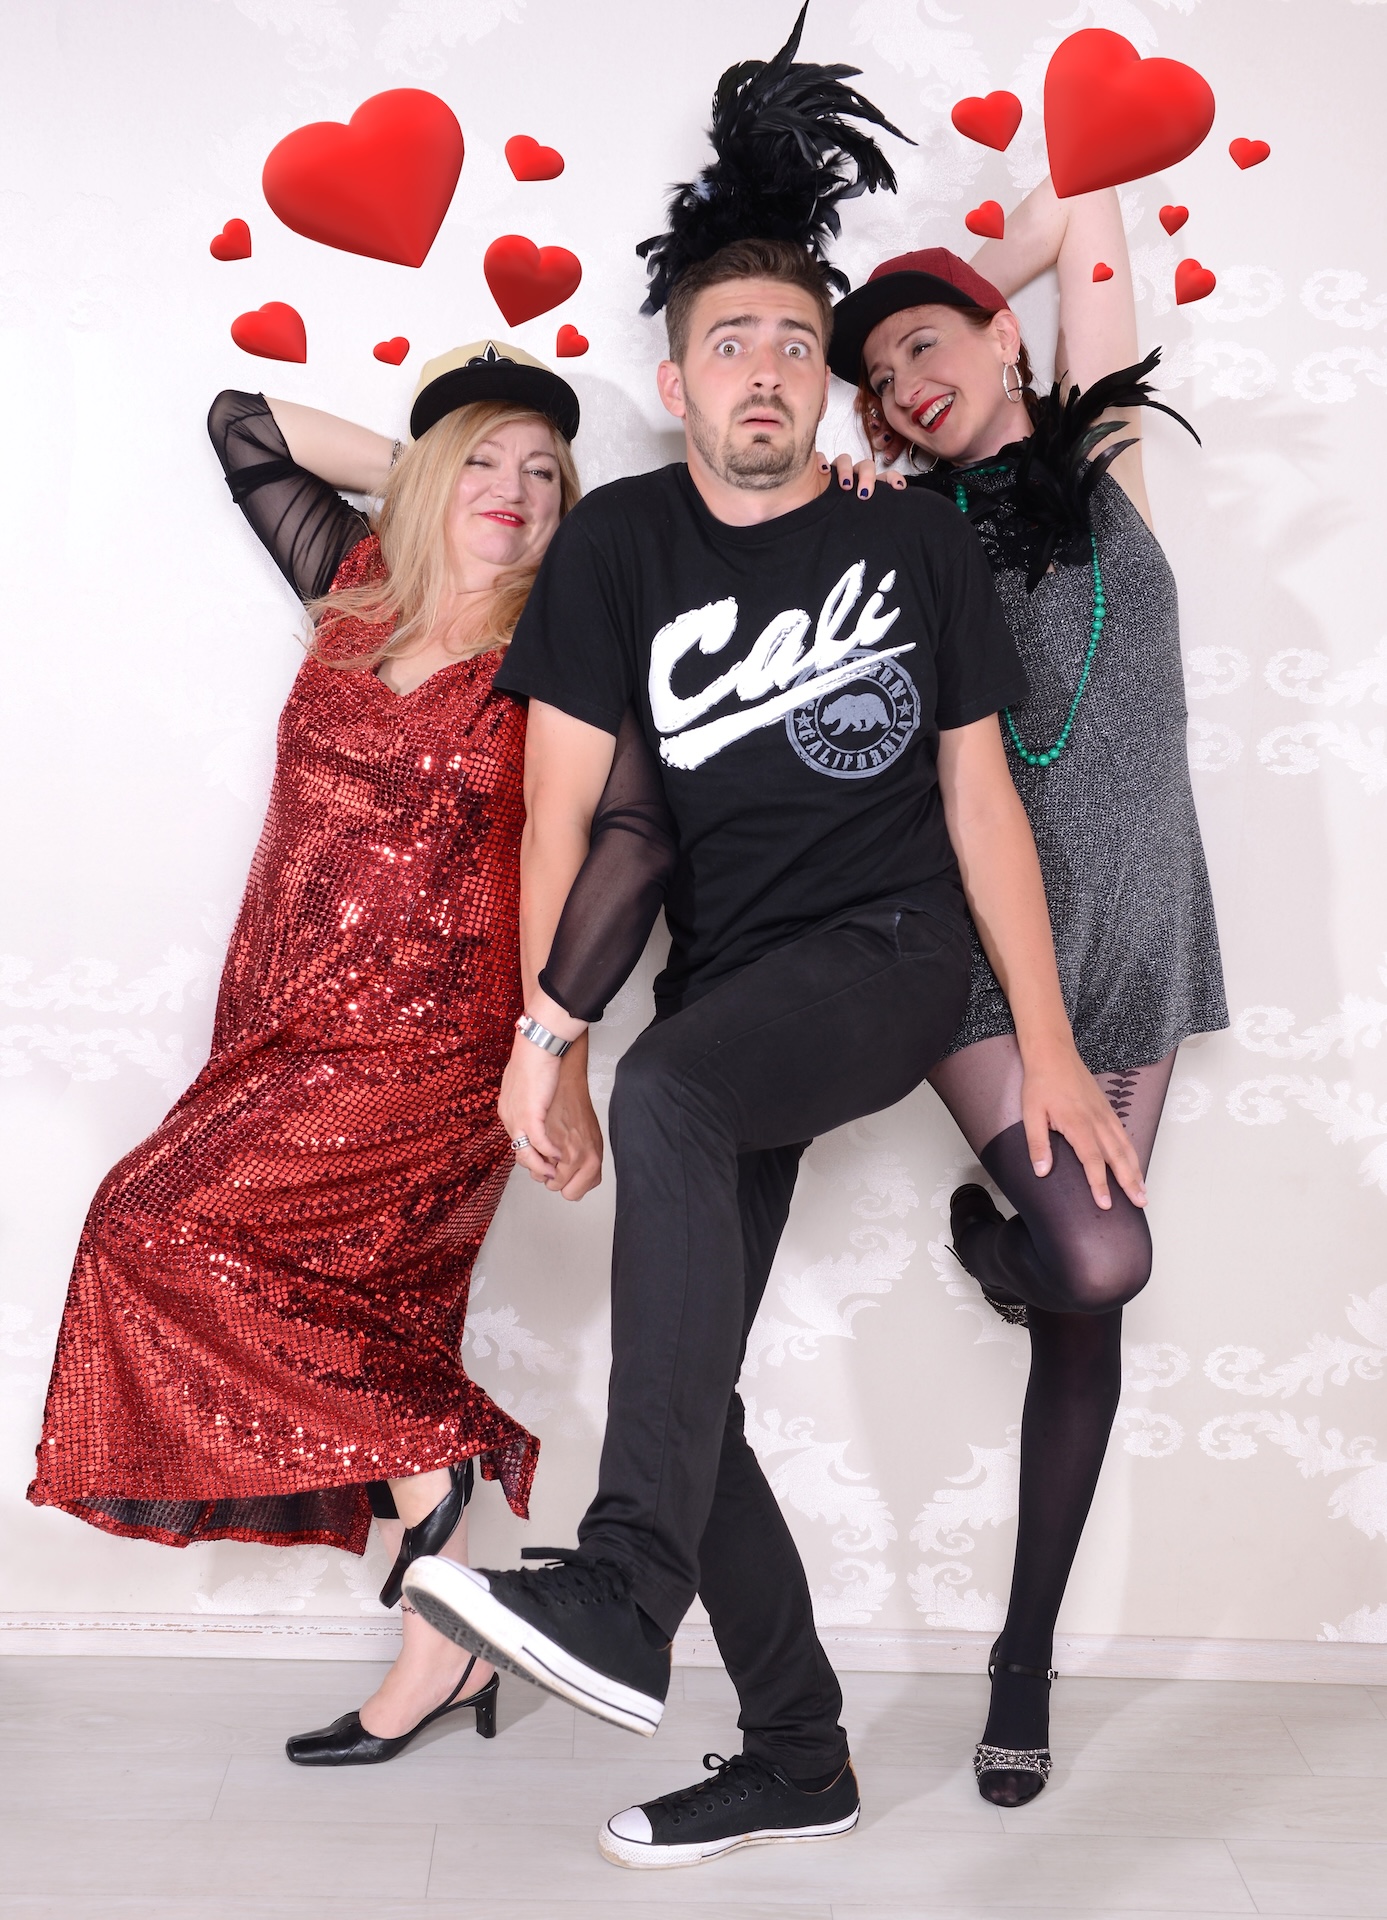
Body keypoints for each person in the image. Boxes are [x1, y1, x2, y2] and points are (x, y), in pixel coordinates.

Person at [401, 12, 1142, 1869]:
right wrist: (546, 1040)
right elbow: (563, 814)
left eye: (798, 347)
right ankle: (801, 1754)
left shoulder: (914, 547)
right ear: (675, 377)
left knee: (677, 1100)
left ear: (828, 392)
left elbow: (984, 806)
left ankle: (622, 1589)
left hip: (888, 955)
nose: (766, 369)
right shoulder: (618, 549)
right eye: (732, 341)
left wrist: (1049, 1044)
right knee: (686, 1375)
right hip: (724, 989)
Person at [27, 339, 602, 1766]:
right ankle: (445, 1650)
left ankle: (442, 1471)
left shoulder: (567, 641)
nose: (516, 490)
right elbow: (244, 422)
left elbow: (571, 854)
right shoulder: (357, 587)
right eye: (487, 459)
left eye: (544, 473)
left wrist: (560, 1054)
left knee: (149, 1226)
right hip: (278, 1023)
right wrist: (436, 483)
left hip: (434, 1046)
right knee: (363, 1312)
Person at [824, 182, 1228, 1803]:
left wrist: (951, 296)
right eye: (879, 378)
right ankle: (998, 1241)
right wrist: (865, 471)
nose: (903, 385)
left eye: (925, 347)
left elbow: (1090, 204)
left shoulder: (1104, 454)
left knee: (1083, 1301)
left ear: (1005, 338)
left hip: (1139, 923)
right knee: (1098, 1250)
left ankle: (1023, 1655)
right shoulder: (898, 527)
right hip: (982, 954)